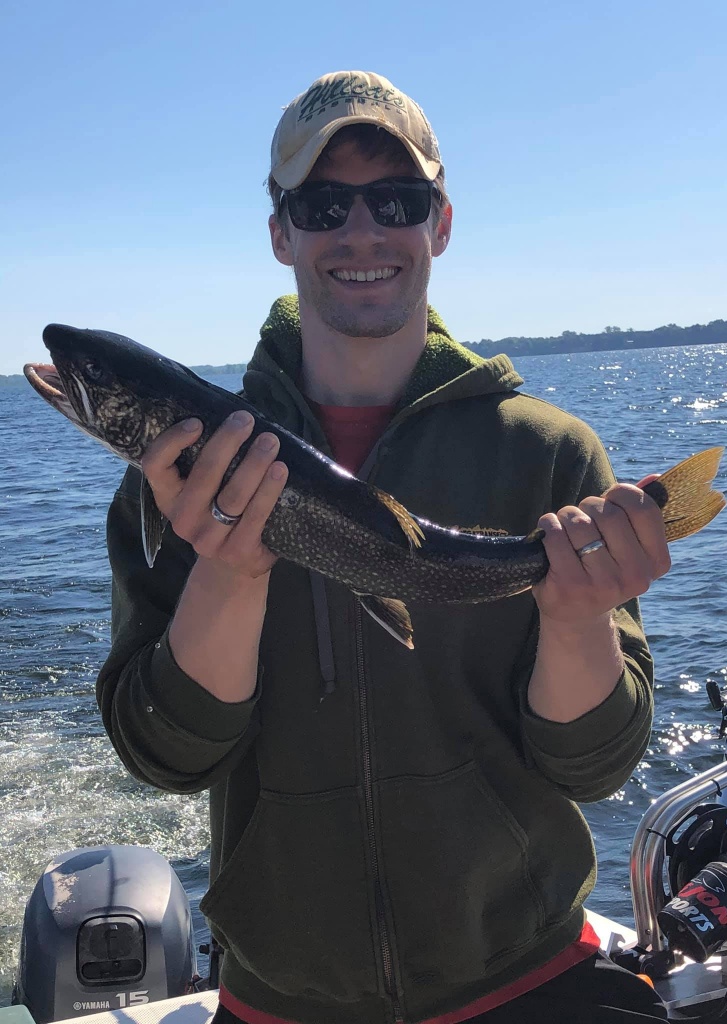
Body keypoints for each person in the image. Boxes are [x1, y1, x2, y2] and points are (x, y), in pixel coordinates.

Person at [97, 71, 671, 1023]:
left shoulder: (551, 455)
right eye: (323, 205)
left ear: (439, 224)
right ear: (280, 233)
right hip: (280, 1000)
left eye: (396, 200)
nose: (361, 232)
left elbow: (594, 768)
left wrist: (576, 623)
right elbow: (166, 758)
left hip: (531, 975)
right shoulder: (174, 484)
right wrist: (229, 576)